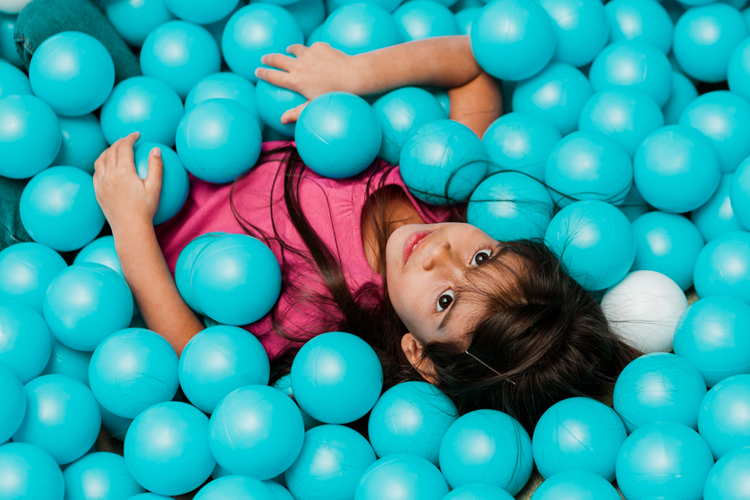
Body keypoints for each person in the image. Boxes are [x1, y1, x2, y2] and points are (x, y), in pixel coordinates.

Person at [94, 36, 640, 432]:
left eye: (446, 301)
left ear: (420, 355)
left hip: (117, 214)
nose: (440, 256)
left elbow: (196, 355)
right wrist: (356, 76)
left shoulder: (320, 314)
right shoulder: (441, 181)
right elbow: (474, 68)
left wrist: (129, 223)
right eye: (483, 259)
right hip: (170, 123)